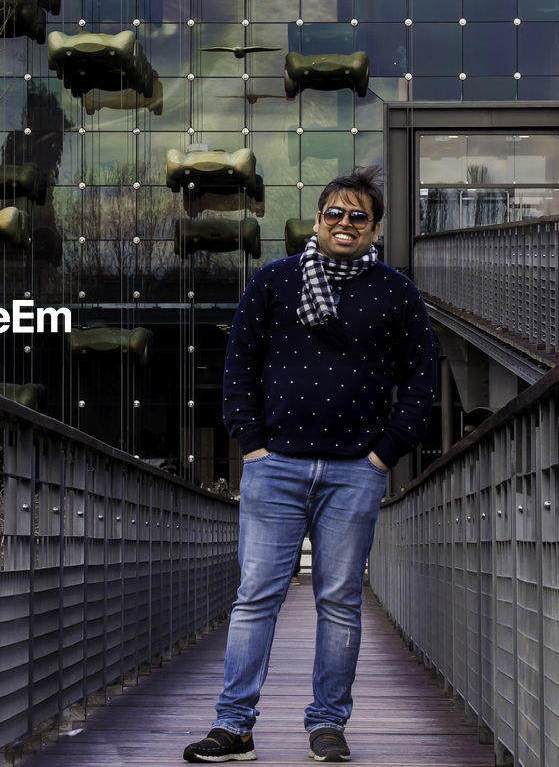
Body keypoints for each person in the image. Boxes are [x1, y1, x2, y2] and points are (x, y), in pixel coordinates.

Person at [183, 166, 437, 764]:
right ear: (318, 220)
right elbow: (239, 367)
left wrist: (384, 454)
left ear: (374, 229)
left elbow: (423, 381)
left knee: (340, 602)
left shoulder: (397, 292)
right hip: (275, 468)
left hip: (355, 471)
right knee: (255, 597)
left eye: (358, 217)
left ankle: (327, 725)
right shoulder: (274, 282)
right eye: (334, 214)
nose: (344, 225)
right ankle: (234, 726)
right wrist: (251, 445)